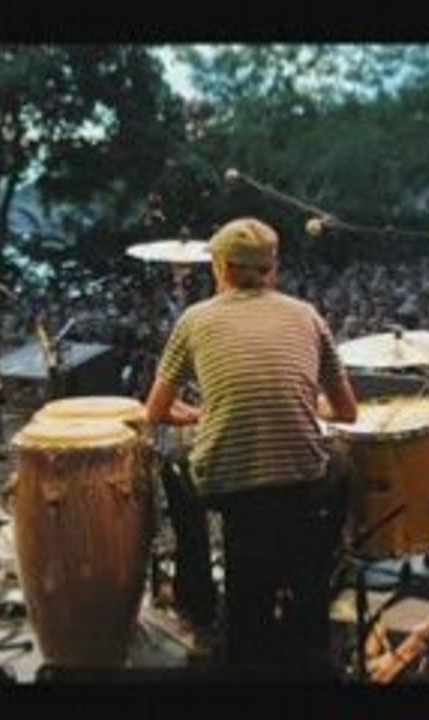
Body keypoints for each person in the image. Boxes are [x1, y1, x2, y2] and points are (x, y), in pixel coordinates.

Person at [145, 217, 357, 674]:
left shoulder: (194, 319)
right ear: (271, 268)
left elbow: (155, 411)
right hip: (302, 480)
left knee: (175, 466)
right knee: (340, 461)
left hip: (230, 486)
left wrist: (202, 414)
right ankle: (324, 558)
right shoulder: (308, 315)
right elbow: (348, 412)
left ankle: (196, 596)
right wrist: (301, 403)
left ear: (219, 267)